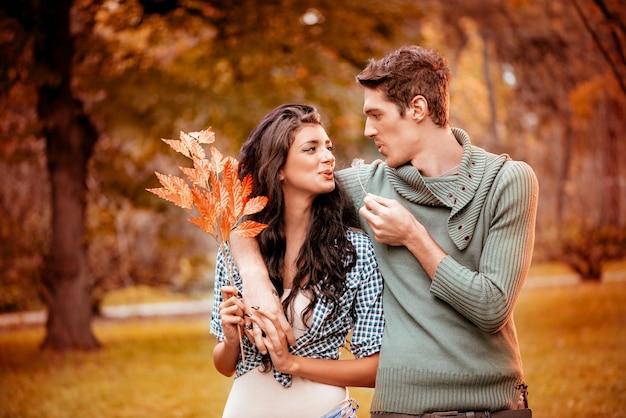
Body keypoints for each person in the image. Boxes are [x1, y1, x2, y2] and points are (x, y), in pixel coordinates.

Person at [231, 46, 539, 418]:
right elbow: (252, 199)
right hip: (401, 411)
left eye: (376, 115)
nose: (367, 130)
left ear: (418, 109)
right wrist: (254, 277)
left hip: (495, 408)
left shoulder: (508, 181)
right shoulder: (365, 186)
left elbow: (492, 307)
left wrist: (413, 236)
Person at [210, 104, 385, 418]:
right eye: (311, 148)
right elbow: (224, 366)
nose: (329, 156)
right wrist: (232, 338)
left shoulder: (354, 251)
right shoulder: (236, 252)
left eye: (328, 147)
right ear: (278, 167)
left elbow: (376, 369)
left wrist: (293, 364)